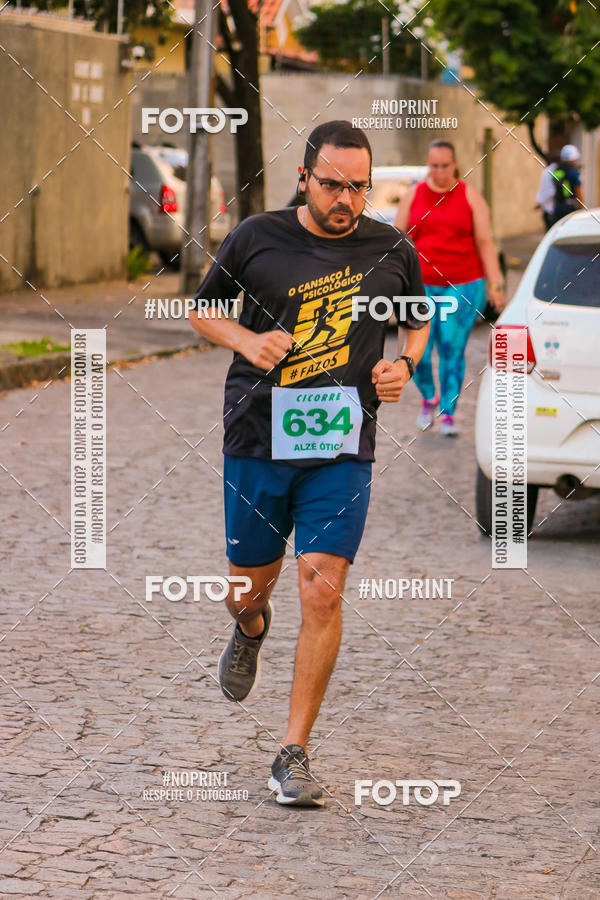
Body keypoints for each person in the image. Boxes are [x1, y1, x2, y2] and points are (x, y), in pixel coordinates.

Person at [189, 120, 430, 807]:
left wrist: (402, 365)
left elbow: (417, 318)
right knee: (250, 587)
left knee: (322, 589)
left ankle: (292, 753)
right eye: (332, 184)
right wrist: (246, 338)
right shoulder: (258, 236)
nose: (345, 199)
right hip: (258, 439)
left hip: (341, 450)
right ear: (304, 178)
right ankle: (248, 628)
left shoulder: (390, 247)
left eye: (358, 186)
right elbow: (202, 311)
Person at [394, 139, 505, 437]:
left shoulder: (470, 196)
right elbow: (398, 239)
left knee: (452, 351)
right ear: (427, 165)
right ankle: (429, 397)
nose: (440, 171)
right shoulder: (413, 195)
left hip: (463, 285)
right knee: (417, 351)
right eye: (434, 165)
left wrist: (495, 283)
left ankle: (448, 413)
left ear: (454, 164)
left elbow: (485, 242)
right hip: (420, 287)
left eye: (445, 165)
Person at [550, 144, 584, 225]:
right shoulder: (573, 172)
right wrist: (581, 207)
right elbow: (578, 191)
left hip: (557, 205)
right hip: (569, 207)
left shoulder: (556, 170)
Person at [535, 154, 559, 231]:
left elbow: (543, 189)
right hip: (552, 209)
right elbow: (551, 191)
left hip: (547, 208)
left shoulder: (546, 171)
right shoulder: (555, 171)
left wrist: (540, 202)